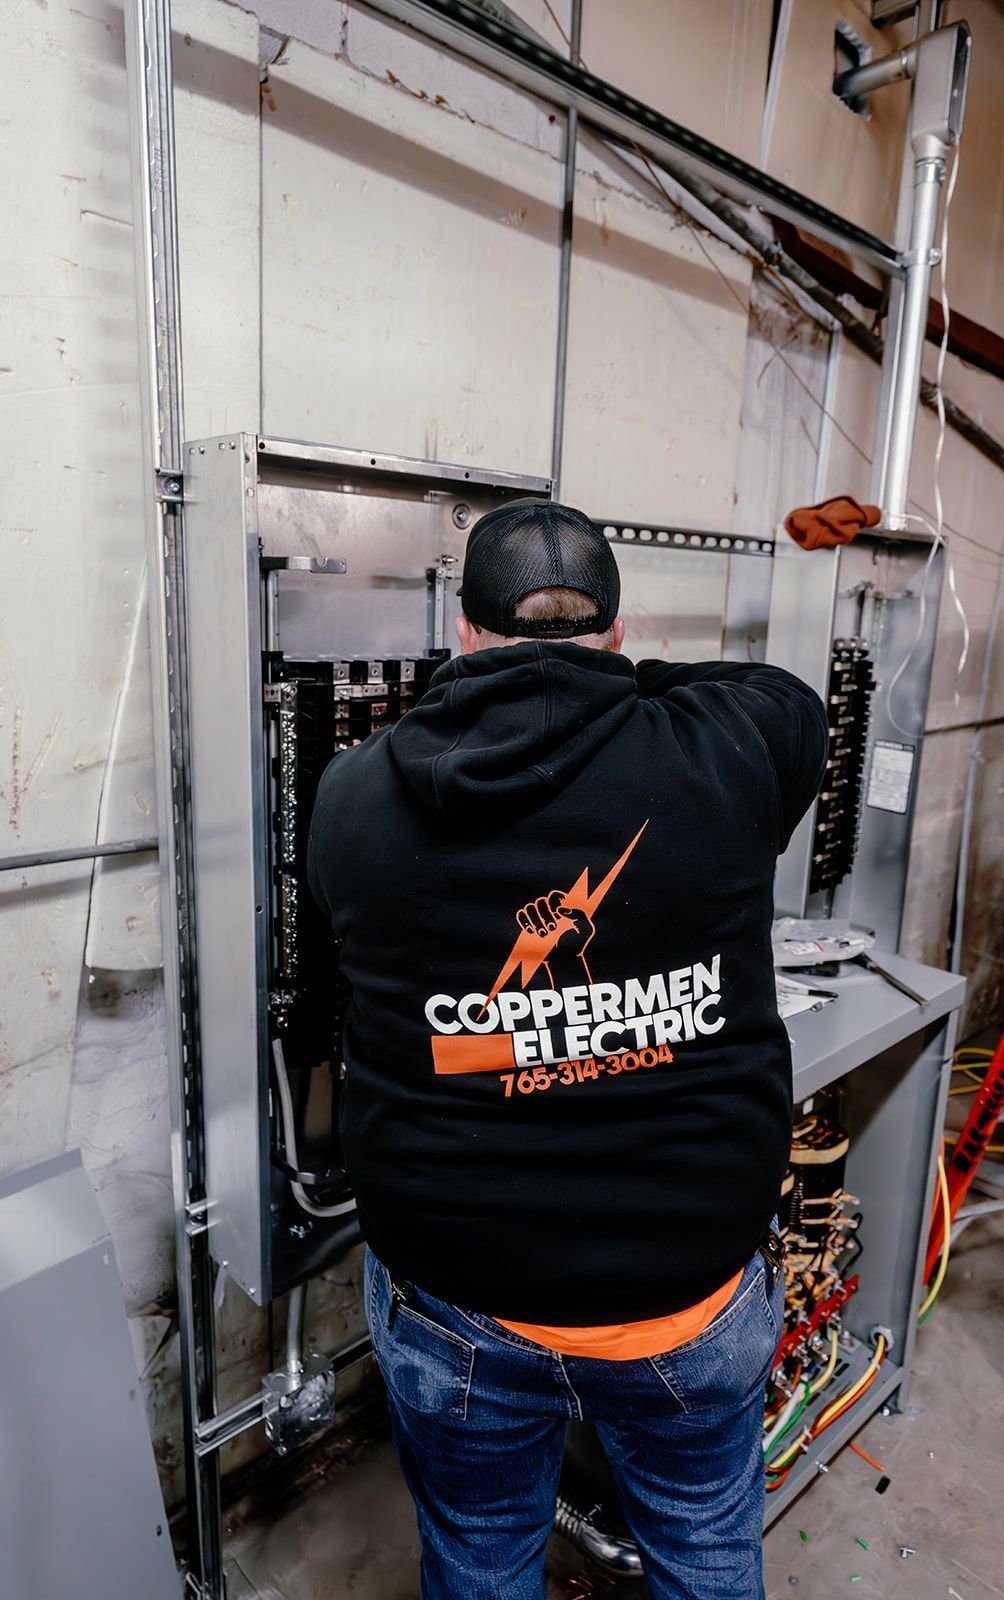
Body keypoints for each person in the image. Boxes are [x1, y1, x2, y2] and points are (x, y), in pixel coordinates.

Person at [308, 500, 828, 1600]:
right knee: (703, 1550)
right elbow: (785, 698)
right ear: (619, 631)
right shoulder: (728, 751)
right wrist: (601, 680)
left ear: (460, 633)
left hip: (460, 1302)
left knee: (482, 1559)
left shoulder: (354, 798)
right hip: (687, 1295)